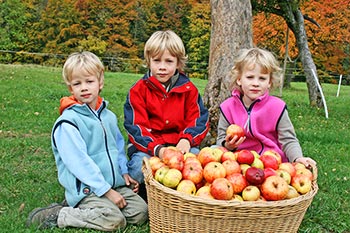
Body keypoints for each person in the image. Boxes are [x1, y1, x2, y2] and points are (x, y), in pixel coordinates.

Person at [26, 51, 148, 231]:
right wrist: (107, 192)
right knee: (114, 220)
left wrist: (123, 172)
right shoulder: (68, 123)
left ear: (100, 83)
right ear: (71, 88)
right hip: (88, 188)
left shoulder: (108, 117)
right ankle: (61, 214)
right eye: (77, 83)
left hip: (113, 184)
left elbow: (118, 148)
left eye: (89, 81)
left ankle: (100, 208)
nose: (84, 88)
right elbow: (79, 163)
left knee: (141, 212)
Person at [124, 30, 210, 193]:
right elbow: (136, 127)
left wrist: (187, 139)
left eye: (169, 61)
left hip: (180, 145)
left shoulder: (188, 89)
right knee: (137, 169)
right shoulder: (138, 90)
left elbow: (199, 119)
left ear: (178, 63)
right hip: (149, 148)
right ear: (148, 61)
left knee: (198, 164)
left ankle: (183, 195)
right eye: (156, 61)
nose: (162, 67)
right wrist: (158, 149)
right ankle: (146, 194)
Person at [217, 47, 316, 168]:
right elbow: (221, 140)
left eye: (262, 78)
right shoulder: (228, 107)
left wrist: (298, 158)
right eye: (250, 77)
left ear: (269, 82)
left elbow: (288, 139)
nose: (256, 83)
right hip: (238, 163)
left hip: (271, 163)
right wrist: (228, 146)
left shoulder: (277, 107)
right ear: (239, 79)